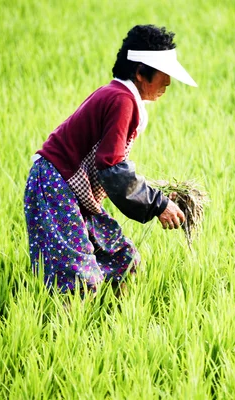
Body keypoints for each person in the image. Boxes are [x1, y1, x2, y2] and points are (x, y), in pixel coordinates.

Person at [24, 25, 197, 297]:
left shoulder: (121, 97)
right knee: (78, 275)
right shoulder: (121, 100)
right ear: (141, 73)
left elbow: (112, 166)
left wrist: (159, 195)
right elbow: (112, 167)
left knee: (121, 259)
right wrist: (157, 204)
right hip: (56, 184)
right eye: (164, 75)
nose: (168, 83)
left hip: (74, 187)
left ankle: (118, 322)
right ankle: (67, 333)